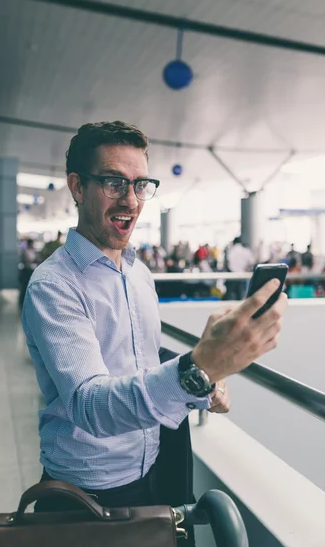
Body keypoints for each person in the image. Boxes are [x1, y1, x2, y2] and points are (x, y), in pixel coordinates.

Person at [22, 121, 287, 513]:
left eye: (140, 185)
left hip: (152, 470)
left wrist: (204, 385)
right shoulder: (54, 285)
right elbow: (90, 405)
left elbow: (141, 366)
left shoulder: (138, 273)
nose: (130, 200)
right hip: (88, 493)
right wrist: (199, 366)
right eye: (114, 182)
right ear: (78, 187)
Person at [18, 238, 39, 308]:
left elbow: (36, 259)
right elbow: (23, 261)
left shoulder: (34, 251)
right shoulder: (24, 251)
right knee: (24, 288)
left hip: (32, 271)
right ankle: (22, 303)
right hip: (26, 271)